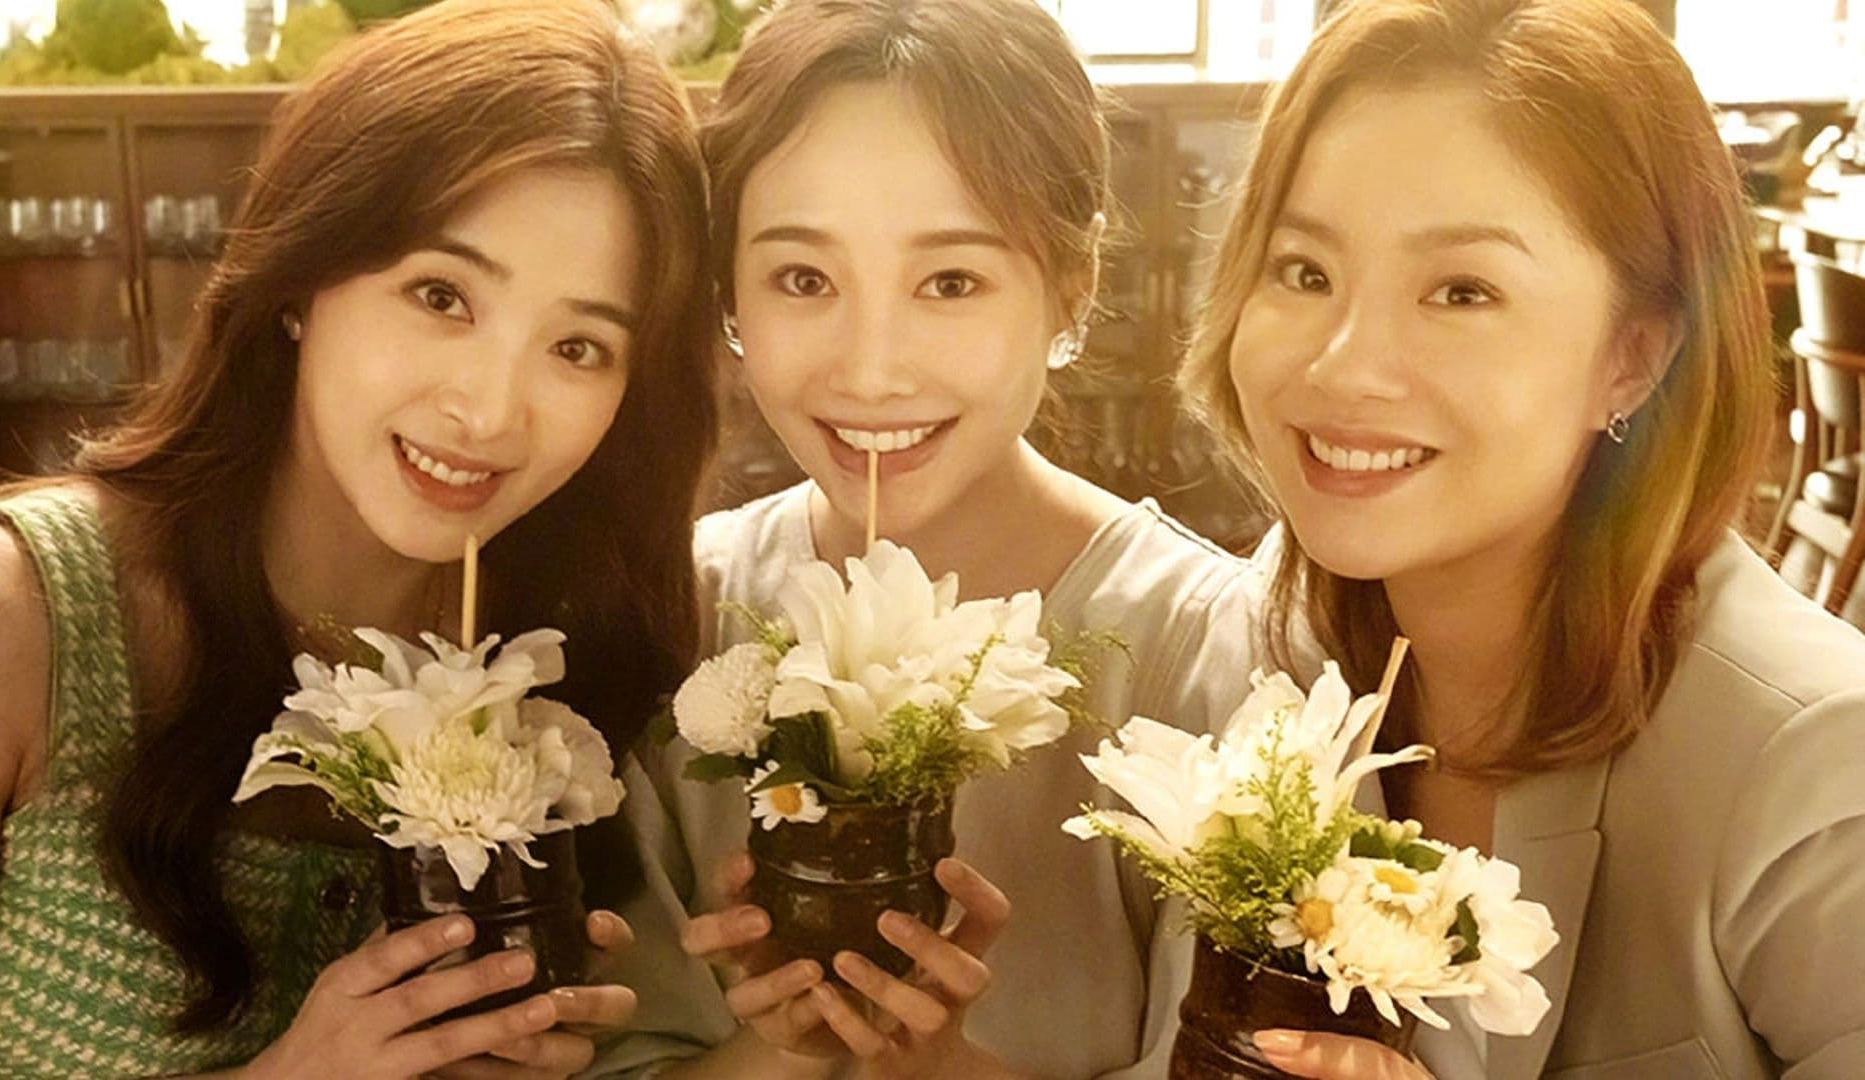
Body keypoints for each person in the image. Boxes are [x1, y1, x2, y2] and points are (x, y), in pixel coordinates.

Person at [0, 0, 716, 1076]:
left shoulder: (559, 668)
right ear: (302, 275)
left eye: (579, 347)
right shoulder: (0, 619)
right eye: (441, 295)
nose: (491, 411)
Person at [1179, 0, 1865, 1076]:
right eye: (1304, 271)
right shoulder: (1274, 639)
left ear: (1633, 358)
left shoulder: (1815, 763)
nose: (1343, 365)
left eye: (1462, 292)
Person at [588, 1, 1265, 1077]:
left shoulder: (1205, 652)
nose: (871, 369)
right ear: (728, 296)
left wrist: (947, 1066)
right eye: (803, 279)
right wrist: (786, 1045)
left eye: (951, 282)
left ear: (1073, 289)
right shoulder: (679, 611)